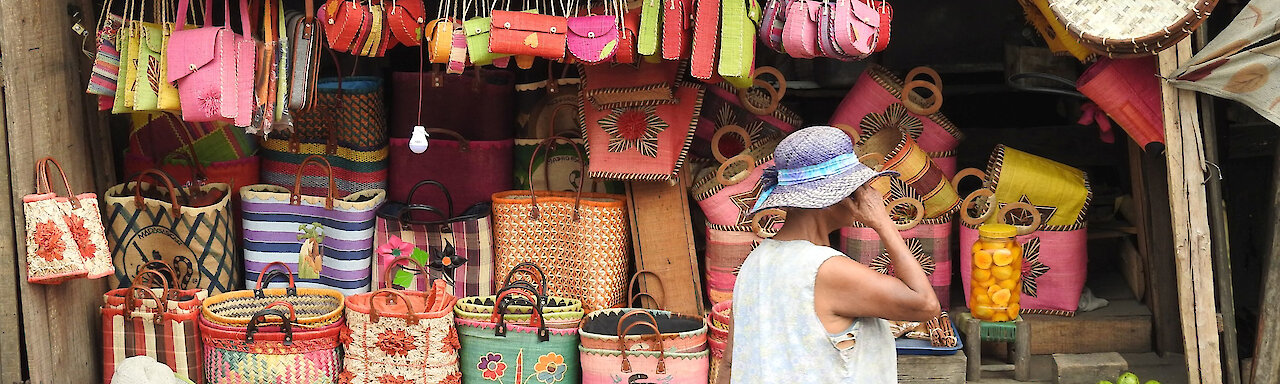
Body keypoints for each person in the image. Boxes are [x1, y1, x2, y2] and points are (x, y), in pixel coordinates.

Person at [717, 126, 942, 384]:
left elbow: (731, 364)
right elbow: (926, 304)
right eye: (859, 187)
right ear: (836, 196)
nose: (869, 194)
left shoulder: (754, 263)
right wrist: (883, 222)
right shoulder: (824, 269)